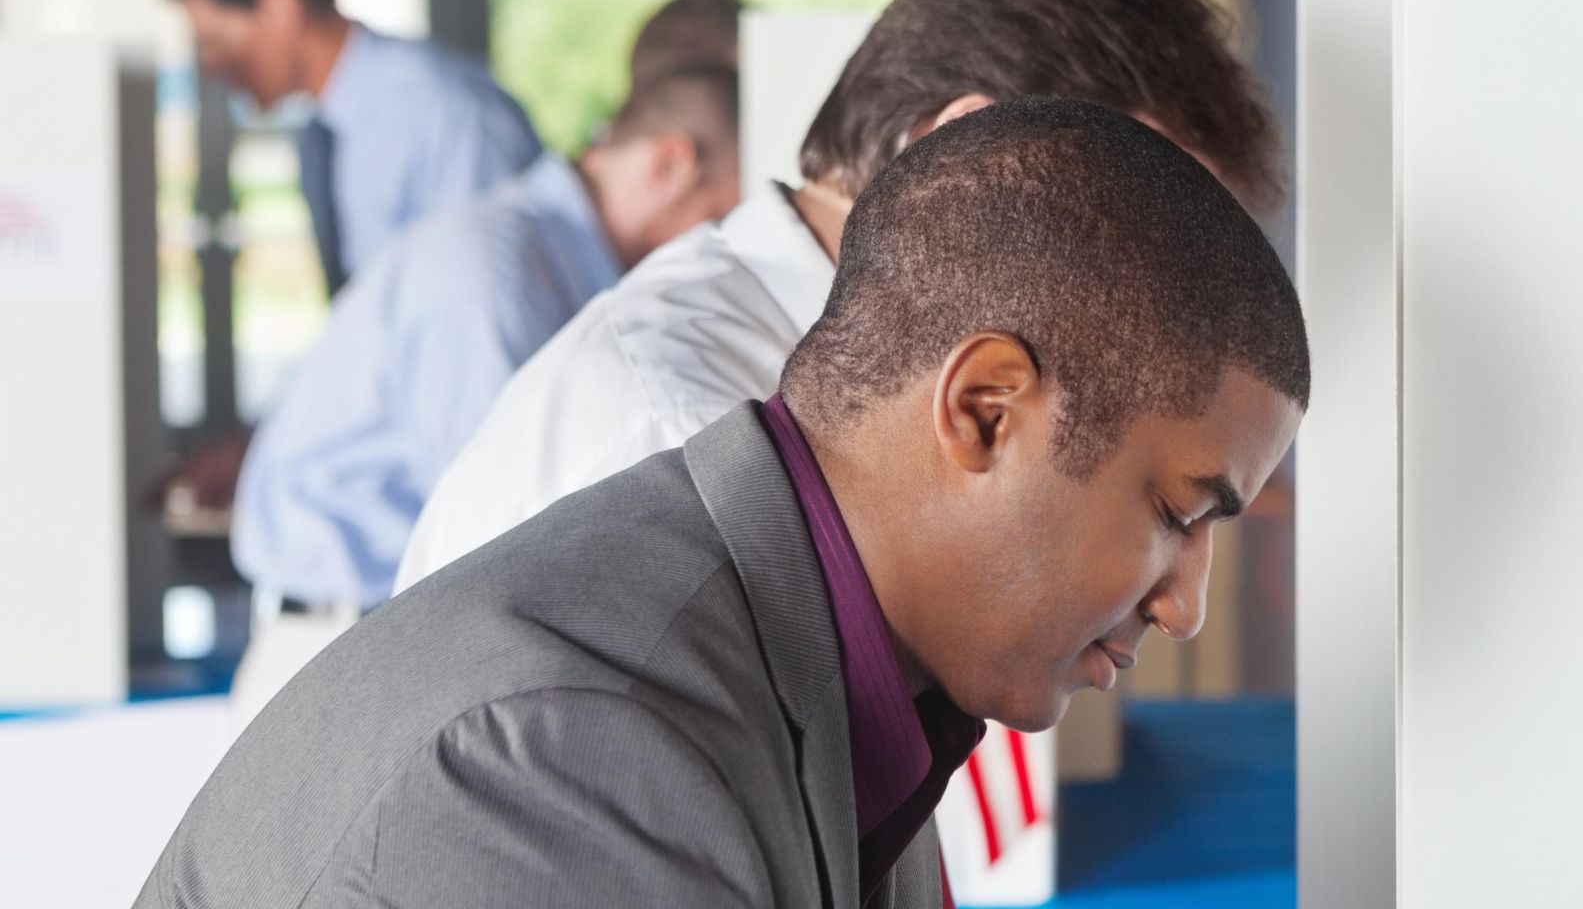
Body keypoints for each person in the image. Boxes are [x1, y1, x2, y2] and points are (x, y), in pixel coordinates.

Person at [135, 98, 1310, 909]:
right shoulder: (576, 751)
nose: (1187, 607)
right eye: (1177, 515)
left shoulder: (848, 674)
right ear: (986, 410)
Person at [394, 0, 1282, 590]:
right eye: (1139, 241)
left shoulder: (833, 389)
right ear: (963, 156)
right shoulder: (688, 440)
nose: (1155, 315)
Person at [224, 66, 740, 723]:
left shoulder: (541, 259)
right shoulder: (492, 274)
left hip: (383, 638)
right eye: (721, 215)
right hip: (348, 657)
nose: (720, 250)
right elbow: (504, 537)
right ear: (669, 164)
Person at [167, 0, 541, 292]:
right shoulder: (324, 133)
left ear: (279, 7)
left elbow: (487, 302)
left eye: (215, 42)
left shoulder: (445, 112)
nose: (209, 67)